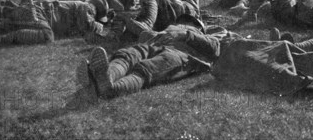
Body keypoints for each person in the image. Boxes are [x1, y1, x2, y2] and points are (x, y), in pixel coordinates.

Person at [84, 24, 236, 98]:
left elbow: (214, 48)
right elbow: (145, 34)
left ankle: (111, 89)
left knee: (147, 68)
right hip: (155, 44)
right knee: (128, 54)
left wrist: (186, 34)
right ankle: (105, 76)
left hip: (183, 55)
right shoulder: (173, 26)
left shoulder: (213, 32)